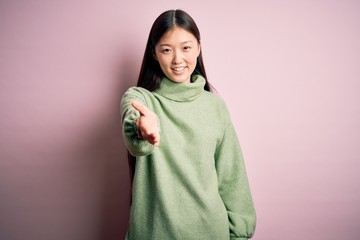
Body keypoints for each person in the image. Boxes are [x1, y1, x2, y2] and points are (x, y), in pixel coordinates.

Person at [121, 9, 256, 240]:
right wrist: (142, 129)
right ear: (154, 53)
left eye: (186, 47)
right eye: (166, 50)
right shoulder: (140, 99)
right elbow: (136, 137)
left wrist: (239, 233)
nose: (177, 59)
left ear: (198, 48)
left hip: (211, 232)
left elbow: (232, 177)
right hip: (154, 233)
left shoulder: (215, 106)